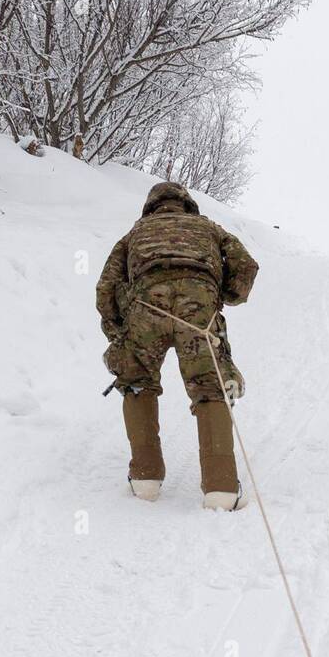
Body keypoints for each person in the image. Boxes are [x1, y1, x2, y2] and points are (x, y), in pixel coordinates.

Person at [96, 182, 259, 509]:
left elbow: (107, 287)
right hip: (198, 308)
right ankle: (221, 488)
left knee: (137, 382)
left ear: (151, 206)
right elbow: (245, 265)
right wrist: (222, 296)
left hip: (145, 310)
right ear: (187, 204)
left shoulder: (135, 232)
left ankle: (145, 479)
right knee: (210, 386)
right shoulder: (209, 227)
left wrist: (120, 334)